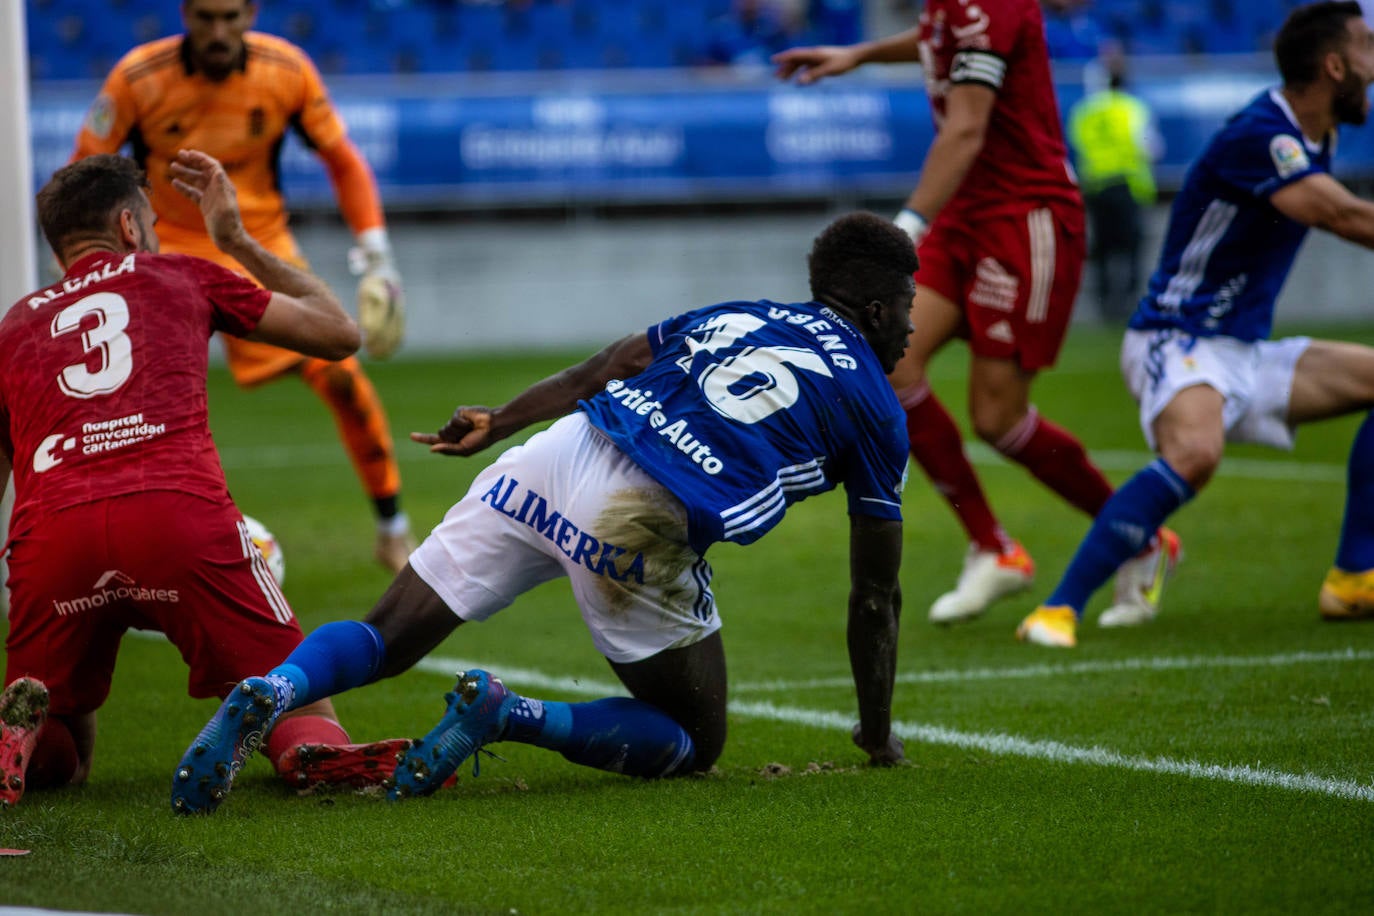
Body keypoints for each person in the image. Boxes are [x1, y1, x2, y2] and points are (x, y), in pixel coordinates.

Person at [170, 211, 916, 814]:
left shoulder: (743, 313)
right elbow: (875, 595)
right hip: (638, 512)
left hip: (557, 452)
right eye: (908, 309)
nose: (913, 329)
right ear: (877, 310)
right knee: (696, 737)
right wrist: (877, 735)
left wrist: (502, 419)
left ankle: (280, 688)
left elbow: (612, 362)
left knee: (385, 634)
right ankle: (507, 713)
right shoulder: (879, 409)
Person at [0, 150, 402, 807]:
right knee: (290, 683)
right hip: (176, 520)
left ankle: (28, 742)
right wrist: (237, 239)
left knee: (63, 733)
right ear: (131, 227)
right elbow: (339, 334)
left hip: (53, 539)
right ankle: (303, 745)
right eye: (152, 221)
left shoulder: (14, 327)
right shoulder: (182, 274)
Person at [773, 1, 1178, 627]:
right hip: (967, 213)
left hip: (1023, 217)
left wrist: (905, 229)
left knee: (997, 417)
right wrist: (858, 54)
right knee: (892, 365)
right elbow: (938, 37)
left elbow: (966, 129)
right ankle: (994, 547)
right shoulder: (948, 8)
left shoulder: (993, 5)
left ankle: (1139, 534)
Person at [1019, 1, 1374, 647]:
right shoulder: (1265, 134)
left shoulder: (1319, 131)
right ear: (1334, 64)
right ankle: (1057, 609)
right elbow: (1343, 216)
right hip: (1174, 338)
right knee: (1196, 453)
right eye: (1368, 50)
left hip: (1241, 349)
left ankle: (1352, 579)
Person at [71, 0, 415, 573]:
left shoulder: (287, 71)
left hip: (258, 248)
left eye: (231, 15)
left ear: (251, 13)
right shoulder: (137, 78)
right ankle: (111, 544)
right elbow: (84, 173)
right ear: (186, 13)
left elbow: (344, 161)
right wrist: (88, 271)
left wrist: (378, 258)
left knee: (345, 380)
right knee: (126, 406)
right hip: (165, 252)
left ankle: (393, 531)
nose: (218, 29)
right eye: (206, 16)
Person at [1067, 46, 1162, 322]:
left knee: (1103, 246)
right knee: (1131, 247)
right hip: (1127, 185)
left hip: (1096, 187)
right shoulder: (1132, 108)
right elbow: (1149, 148)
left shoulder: (1084, 112)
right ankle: (1129, 302)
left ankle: (1107, 304)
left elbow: (1077, 146)